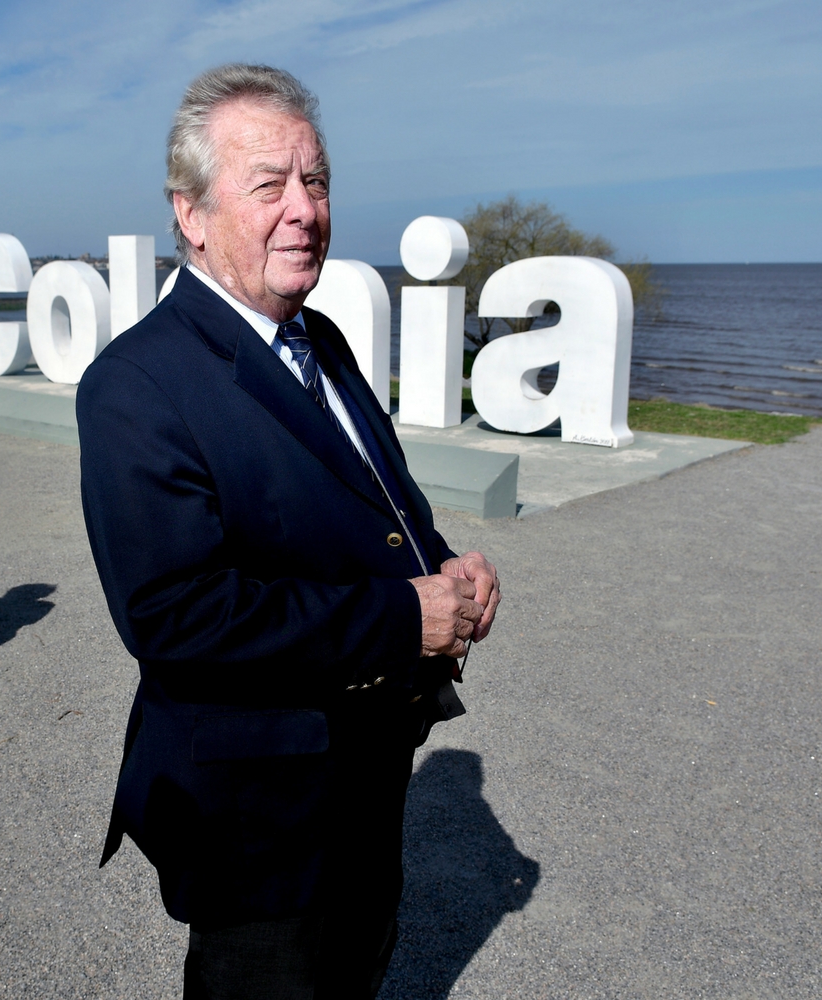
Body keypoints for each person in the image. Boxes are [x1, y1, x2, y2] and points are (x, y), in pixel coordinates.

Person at [75, 65, 501, 998]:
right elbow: (177, 618)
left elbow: (382, 506)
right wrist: (404, 619)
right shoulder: (136, 387)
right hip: (258, 821)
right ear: (190, 213)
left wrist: (444, 570)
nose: (304, 209)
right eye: (269, 184)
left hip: (367, 778)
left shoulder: (326, 341)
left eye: (316, 181)